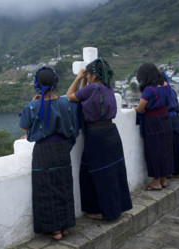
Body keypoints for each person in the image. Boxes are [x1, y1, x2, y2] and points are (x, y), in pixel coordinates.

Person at [66, 58, 132, 220]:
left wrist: (77, 78)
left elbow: (70, 96)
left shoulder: (92, 88)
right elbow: (81, 97)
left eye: (88, 75)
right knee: (113, 172)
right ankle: (115, 207)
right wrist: (83, 79)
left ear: (94, 76)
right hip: (111, 133)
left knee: (96, 173)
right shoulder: (107, 88)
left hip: (96, 137)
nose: (87, 77)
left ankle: (104, 212)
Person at [19, 66, 79, 240]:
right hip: (62, 149)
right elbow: (72, 126)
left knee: (46, 188)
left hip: (43, 151)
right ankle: (65, 225)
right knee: (63, 185)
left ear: (36, 84)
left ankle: (54, 230)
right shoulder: (65, 103)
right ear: (56, 83)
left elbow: (24, 126)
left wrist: (34, 103)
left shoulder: (32, 106)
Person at [134, 63, 174, 190]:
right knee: (165, 149)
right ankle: (163, 179)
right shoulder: (166, 86)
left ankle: (156, 182)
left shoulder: (149, 90)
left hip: (153, 122)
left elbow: (140, 109)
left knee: (155, 151)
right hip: (166, 120)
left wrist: (133, 109)